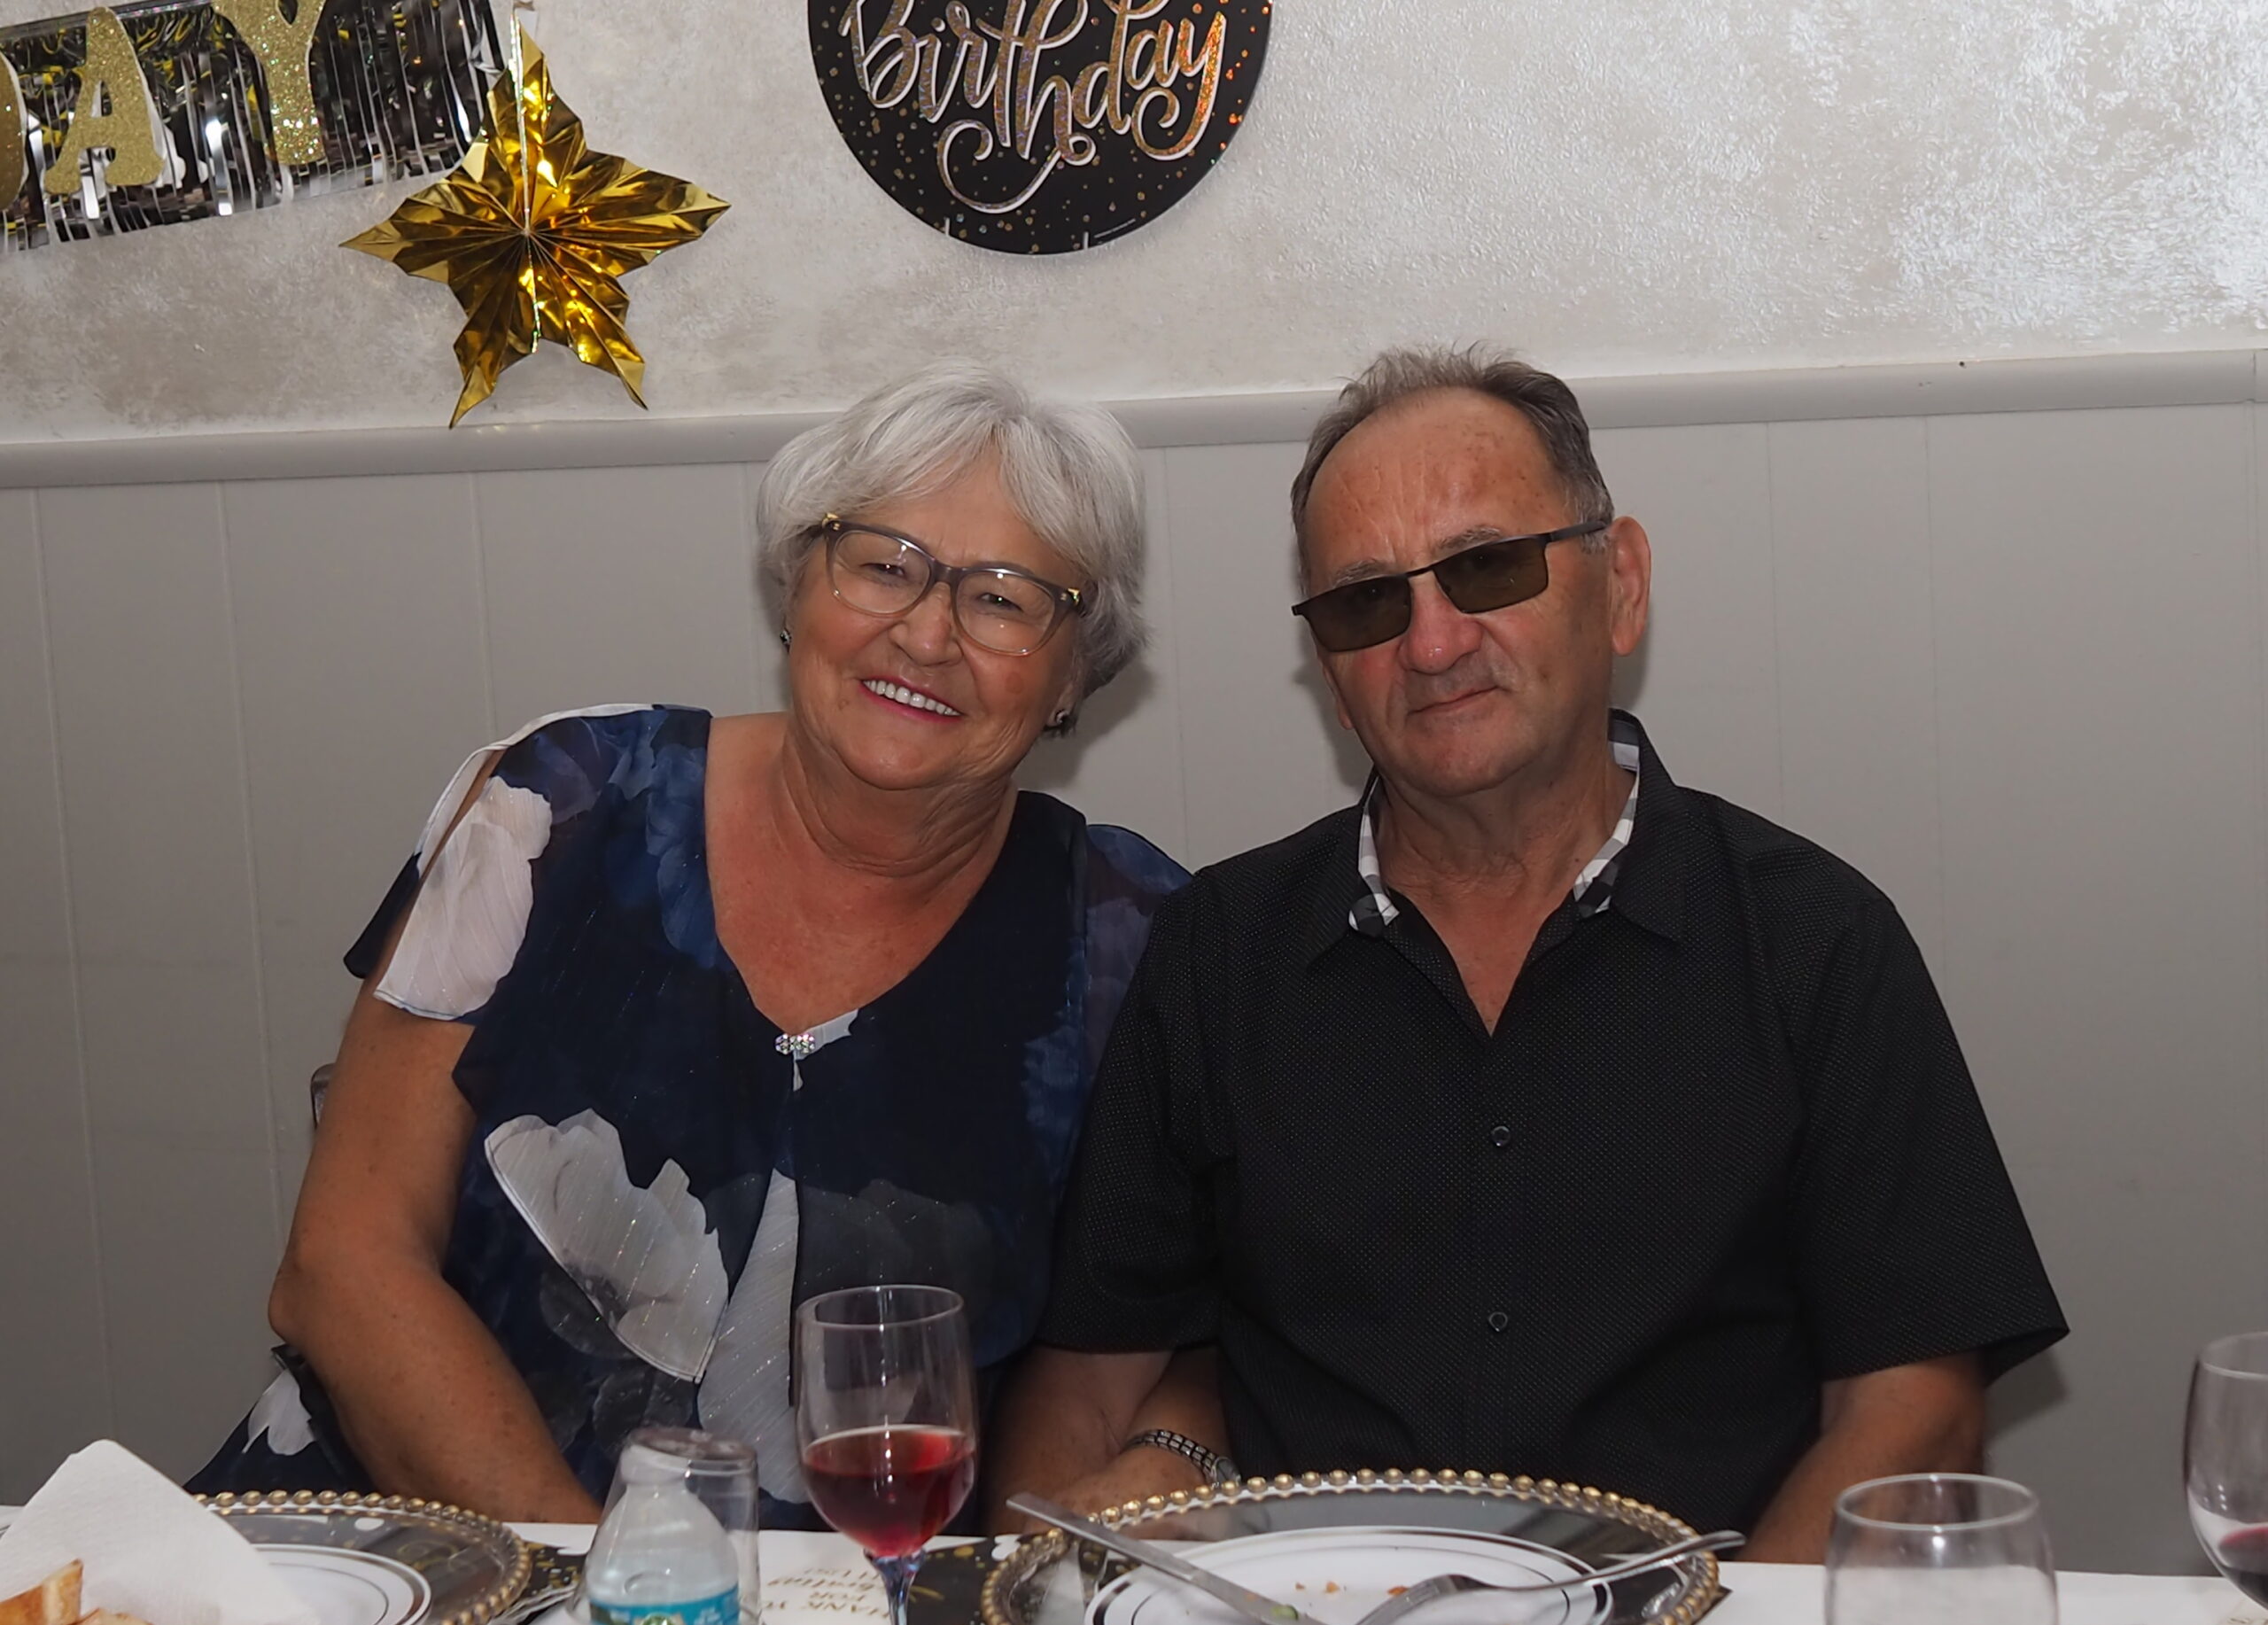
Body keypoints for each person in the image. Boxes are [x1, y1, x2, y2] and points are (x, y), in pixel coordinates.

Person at [992, 346, 2066, 1559]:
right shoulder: (1216, 954)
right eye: (1366, 601)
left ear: (1622, 586)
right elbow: (1088, 1388)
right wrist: (1055, 1611)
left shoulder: (1814, 943)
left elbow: (1915, 1409)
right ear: (1330, 672)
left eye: (1488, 567)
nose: (1432, 643)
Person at [189, 363, 1189, 1525]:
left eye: (1005, 601)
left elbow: (1164, 1343)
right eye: (882, 565)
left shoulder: (1128, 942)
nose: (925, 633)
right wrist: (614, 1598)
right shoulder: (554, 809)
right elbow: (342, 1265)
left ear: (1074, 675)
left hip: (853, 1600)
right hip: (383, 1557)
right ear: (795, 586)